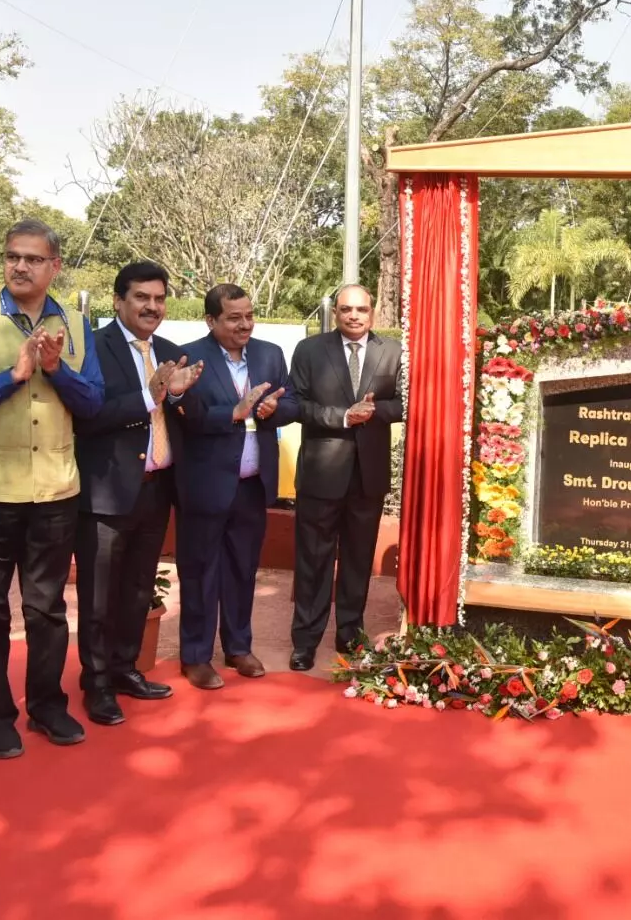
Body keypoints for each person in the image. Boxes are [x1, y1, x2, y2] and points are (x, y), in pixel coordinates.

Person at [0, 219, 104, 758]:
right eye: (13, 256)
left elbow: (93, 405)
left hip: (54, 491)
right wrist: (11, 377)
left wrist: (55, 370)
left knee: (47, 608)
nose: (20, 267)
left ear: (54, 266)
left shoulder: (77, 325)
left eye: (33, 259)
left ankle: (47, 705)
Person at [72, 261, 204, 724]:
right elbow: (87, 416)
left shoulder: (170, 351)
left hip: (157, 488)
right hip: (106, 491)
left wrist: (180, 396)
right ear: (118, 301)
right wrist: (153, 394)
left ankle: (126, 668)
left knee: (137, 590)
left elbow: (181, 413)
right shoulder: (92, 348)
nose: (152, 307)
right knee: (99, 594)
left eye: (159, 298)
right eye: (141, 298)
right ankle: (97, 683)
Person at [169, 283, 298, 689]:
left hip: (252, 483)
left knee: (243, 570)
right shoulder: (190, 356)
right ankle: (196, 656)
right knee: (200, 570)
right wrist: (233, 413)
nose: (245, 325)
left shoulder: (269, 353)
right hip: (205, 483)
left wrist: (276, 409)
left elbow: (292, 402)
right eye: (234, 317)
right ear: (211, 320)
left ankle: (239, 647)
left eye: (249, 315)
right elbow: (185, 417)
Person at [288, 283, 404, 671]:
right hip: (321, 474)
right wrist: (341, 416)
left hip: (367, 478)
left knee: (357, 562)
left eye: (362, 309)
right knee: (313, 562)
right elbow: (296, 404)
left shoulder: (392, 351)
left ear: (373, 312)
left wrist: (374, 413)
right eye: (346, 309)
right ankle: (304, 641)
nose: (354, 316)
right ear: (335, 312)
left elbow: (406, 402)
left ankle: (350, 635)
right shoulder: (310, 350)